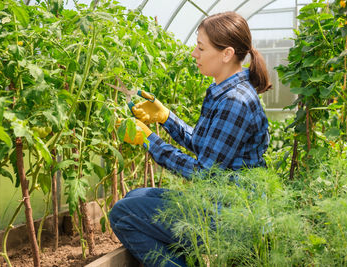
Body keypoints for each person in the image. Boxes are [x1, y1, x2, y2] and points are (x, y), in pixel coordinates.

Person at [110, 11, 271, 267]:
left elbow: (202, 173)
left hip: (231, 219)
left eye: (200, 48)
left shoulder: (234, 101)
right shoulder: (225, 90)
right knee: (134, 196)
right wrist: (166, 118)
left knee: (122, 213)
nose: (194, 54)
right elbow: (205, 146)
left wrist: (149, 140)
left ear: (226, 54)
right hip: (220, 203)